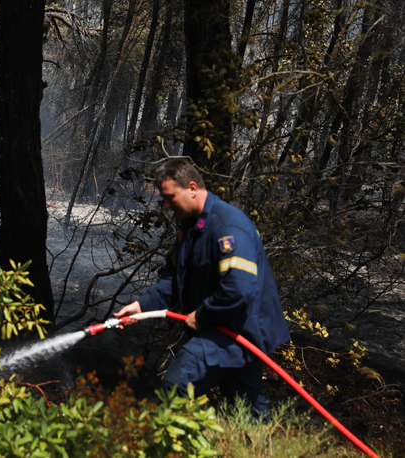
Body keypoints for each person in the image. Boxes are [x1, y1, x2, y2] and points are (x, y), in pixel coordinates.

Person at [115, 158, 290, 417]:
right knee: (246, 415)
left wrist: (203, 315)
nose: (165, 205)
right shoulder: (190, 230)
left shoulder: (228, 226)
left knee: (176, 384)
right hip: (227, 332)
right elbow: (172, 280)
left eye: (169, 196)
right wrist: (141, 306)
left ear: (193, 188)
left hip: (236, 331)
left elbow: (238, 288)